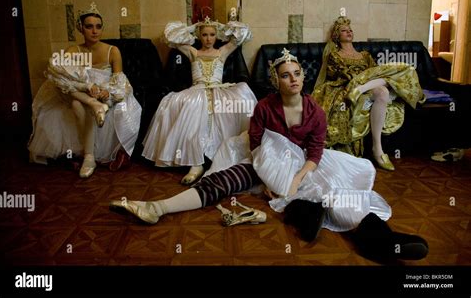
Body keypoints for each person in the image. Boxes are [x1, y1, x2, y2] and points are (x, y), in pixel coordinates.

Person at [110, 49, 428, 262]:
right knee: (225, 179)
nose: (292, 78)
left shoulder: (314, 110)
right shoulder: (264, 107)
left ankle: (382, 241)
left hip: (305, 160)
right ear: (277, 80)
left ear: (303, 76)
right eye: (285, 74)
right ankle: (158, 207)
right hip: (262, 158)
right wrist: (269, 177)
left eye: (297, 73)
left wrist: (300, 175)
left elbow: (316, 149)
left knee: (334, 190)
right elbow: (258, 144)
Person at [28, 2, 142, 178]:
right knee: (66, 90)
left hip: (102, 94)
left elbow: (119, 80)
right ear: (81, 28)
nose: (94, 31)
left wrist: (107, 92)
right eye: (89, 27)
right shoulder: (74, 50)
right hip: (82, 94)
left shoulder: (113, 51)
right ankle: (89, 155)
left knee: (77, 102)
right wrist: (88, 89)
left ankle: (89, 155)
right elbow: (61, 76)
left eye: (98, 27)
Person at [141, 17, 257, 185]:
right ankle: (196, 164)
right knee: (185, 108)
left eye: (212, 34)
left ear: (217, 36)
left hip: (219, 90)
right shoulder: (193, 53)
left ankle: (223, 159)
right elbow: (171, 36)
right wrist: (193, 27)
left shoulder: (222, 51)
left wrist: (222, 27)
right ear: (199, 36)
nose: (208, 39)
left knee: (242, 96)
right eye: (204, 34)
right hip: (197, 90)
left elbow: (242, 33)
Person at [312, 16, 425, 171]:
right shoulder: (334, 55)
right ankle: (378, 150)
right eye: (344, 30)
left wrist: (364, 84)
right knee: (382, 88)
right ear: (337, 36)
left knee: (395, 80)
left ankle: (377, 147)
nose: (349, 32)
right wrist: (357, 80)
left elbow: (377, 74)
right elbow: (336, 75)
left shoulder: (365, 55)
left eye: (350, 30)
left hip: (366, 87)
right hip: (347, 86)